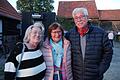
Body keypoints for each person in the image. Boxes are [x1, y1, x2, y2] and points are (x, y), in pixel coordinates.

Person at [65, 7, 113, 80]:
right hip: (76, 76)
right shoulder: (69, 35)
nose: (79, 20)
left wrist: (101, 70)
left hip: (95, 76)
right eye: (76, 18)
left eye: (81, 17)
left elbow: (108, 52)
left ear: (87, 18)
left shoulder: (101, 33)